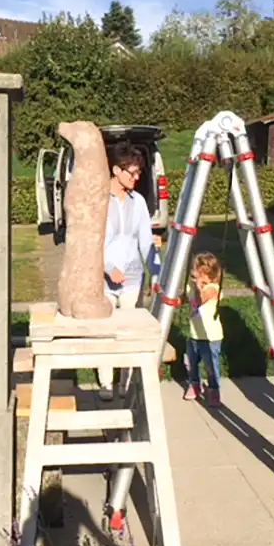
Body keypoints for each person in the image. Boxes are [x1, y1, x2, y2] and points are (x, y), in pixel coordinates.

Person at [99, 142, 161, 401]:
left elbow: (146, 241)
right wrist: (108, 268)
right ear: (116, 170)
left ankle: (125, 383)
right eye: (132, 173)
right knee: (106, 333)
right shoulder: (101, 200)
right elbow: (93, 241)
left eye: (139, 173)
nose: (137, 178)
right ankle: (105, 383)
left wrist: (157, 272)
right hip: (103, 280)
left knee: (128, 333)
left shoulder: (139, 203)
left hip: (133, 278)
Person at [183, 252, 224, 407]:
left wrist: (199, 286)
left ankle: (214, 389)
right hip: (194, 333)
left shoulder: (213, 289)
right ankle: (194, 383)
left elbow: (201, 300)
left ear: (210, 276)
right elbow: (186, 298)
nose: (196, 276)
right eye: (195, 273)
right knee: (191, 362)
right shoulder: (191, 287)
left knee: (210, 364)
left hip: (211, 336)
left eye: (201, 274)